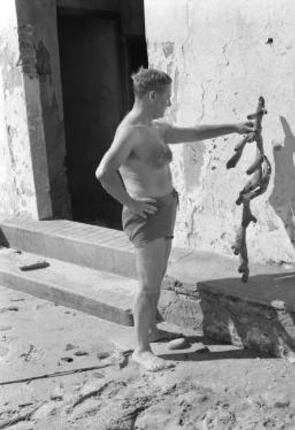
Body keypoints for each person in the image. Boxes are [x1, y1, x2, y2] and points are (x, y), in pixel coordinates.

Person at [95, 68, 255, 371]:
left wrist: (233, 127)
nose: (169, 102)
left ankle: (151, 331)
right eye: (167, 97)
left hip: (165, 208)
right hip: (147, 215)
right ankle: (142, 350)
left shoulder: (155, 127)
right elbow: (103, 172)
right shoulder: (131, 131)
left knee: (155, 279)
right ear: (152, 96)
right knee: (148, 286)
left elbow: (194, 132)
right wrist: (130, 202)